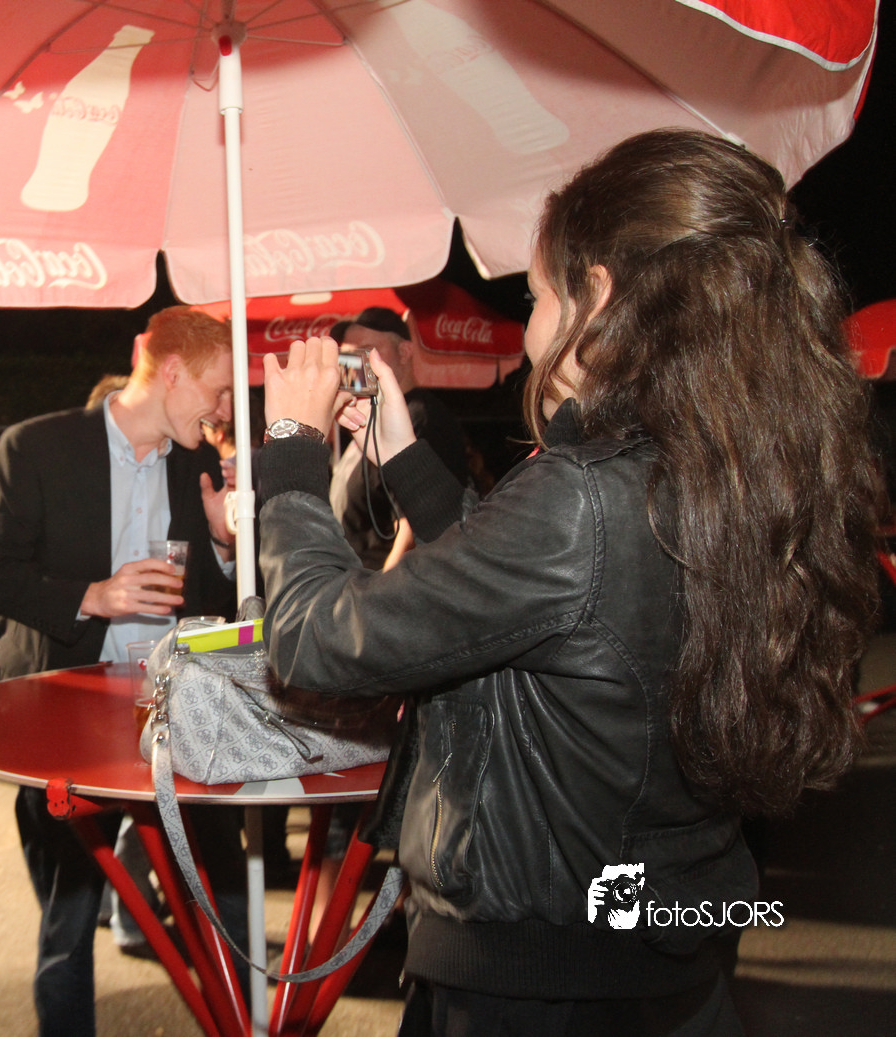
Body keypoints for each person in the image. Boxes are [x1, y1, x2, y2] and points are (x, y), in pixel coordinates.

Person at [256, 128, 880, 1037]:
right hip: (669, 943)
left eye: (538, 294)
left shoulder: (583, 497)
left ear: (600, 297)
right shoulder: (727, 471)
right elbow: (543, 600)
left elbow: (313, 638)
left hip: (537, 979)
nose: (530, 324)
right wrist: (403, 456)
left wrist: (288, 451)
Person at [0, 304, 247, 1037]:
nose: (225, 411)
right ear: (174, 371)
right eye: (219, 390)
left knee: (222, 899)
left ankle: (240, 1021)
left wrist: (223, 546)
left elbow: (212, 606)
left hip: (174, 716)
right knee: (67, 922)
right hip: (67, 721)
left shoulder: (197, 465)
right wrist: (92, 596)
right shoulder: (37, 445)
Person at [326, 306, 470, 570]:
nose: (354, 363)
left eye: (365, 351)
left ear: (404, 352)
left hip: (390, 584)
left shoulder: (421, 417)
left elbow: (416, 526)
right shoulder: (365, 418)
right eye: (346, 355)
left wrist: (383, 588)